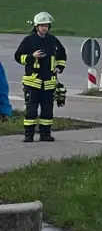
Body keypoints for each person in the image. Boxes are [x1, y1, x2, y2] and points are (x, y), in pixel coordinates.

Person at [13, 12, 67, 143]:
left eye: (46, 26)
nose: (44, 28)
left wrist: (59, 67)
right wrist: (32, 57)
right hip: (32, 83)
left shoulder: (52, 40)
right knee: (31, 110)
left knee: (47, 110)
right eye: (42, 25)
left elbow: (62, 55)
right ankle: (29, 135)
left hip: (48, 83)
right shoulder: (29, 40)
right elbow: (18, 56)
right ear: (36, 26)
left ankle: (45, 134)